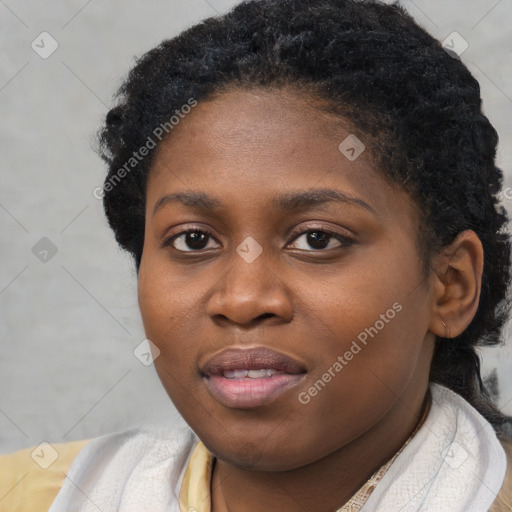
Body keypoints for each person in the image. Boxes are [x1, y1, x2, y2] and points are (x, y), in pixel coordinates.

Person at [1, 0, 512, 510]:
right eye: (193, 240)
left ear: (451, 284)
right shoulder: (36, 496)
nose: (243, 300)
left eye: (317, 239)